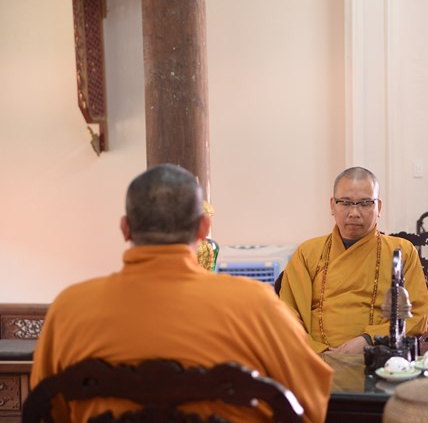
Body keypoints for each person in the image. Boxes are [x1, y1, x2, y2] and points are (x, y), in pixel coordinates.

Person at [30, 163, 333, 423]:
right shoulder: (256, 305)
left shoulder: (69, 308)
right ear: (203, 227)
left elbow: (46, 410)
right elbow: (310, 405)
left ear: (125, 228)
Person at [279, 167, 428, 354]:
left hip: (378, 354)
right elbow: (286, 314)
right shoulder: (307, 252)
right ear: (332, 205)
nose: (354, 213)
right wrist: (319, 351)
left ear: (378, 207)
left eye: (365, 203)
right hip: (315, 357)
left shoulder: (401, 252)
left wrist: (369, 339)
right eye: (345, 203)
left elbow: (416, 314)